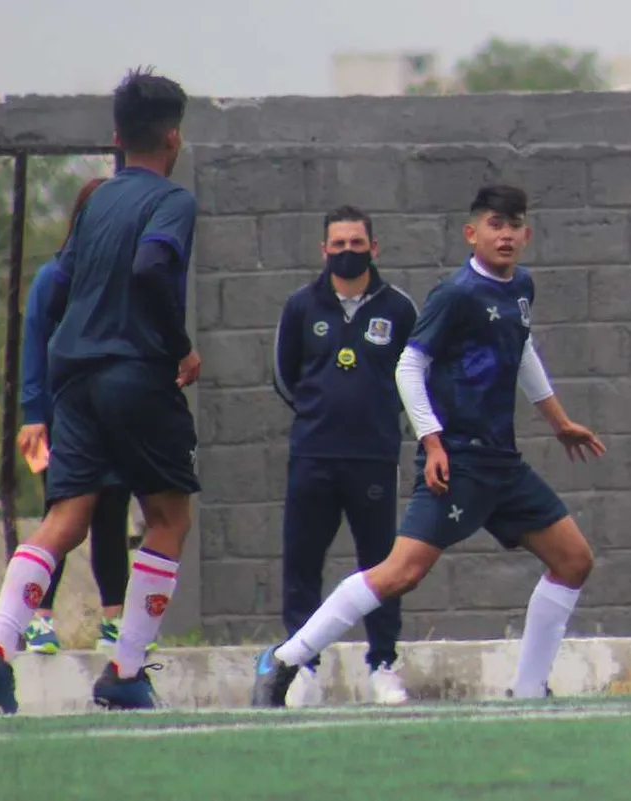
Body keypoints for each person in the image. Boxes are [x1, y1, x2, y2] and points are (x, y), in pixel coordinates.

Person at [251, 184, 605, 707]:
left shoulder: (521, 287)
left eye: (513, 226)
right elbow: (409, 366)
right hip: (456, 461)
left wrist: (558, 420)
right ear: (472, 233)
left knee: (574, 559)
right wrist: (433, 442)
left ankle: (529, 690)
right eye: (494, 225)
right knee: (399, 574)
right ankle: (284, 661)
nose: (504, 235)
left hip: (501, 463)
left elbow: (521, 346)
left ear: (526, 235)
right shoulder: (455, 293)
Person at [0, 67, 200, 714]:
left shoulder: (96, 202)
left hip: (73, 378)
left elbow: (62, 286)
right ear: (173, 137)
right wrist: (179, 346)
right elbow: (151, 268)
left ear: (117, 137)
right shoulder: (171, 201)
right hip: (134, 371)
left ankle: (0, 650)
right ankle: (125, 668)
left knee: (65, 519)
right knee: (169, 517)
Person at [272, 205, 418, 706]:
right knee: (302, 564)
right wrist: (319, 414)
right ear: (324, 250)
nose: (348, 252)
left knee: (381, 564)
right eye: (339, 245)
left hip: (374, 457)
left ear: (373, 248)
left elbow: (415, 376)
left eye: (357, 244)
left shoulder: (399, 309)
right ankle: (303, 669)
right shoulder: (300, 306)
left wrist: (376, 416)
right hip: (312, 456)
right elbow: (283, 375)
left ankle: (382, 665)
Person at [18, 177, 149, 655]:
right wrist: (35, 415)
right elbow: (34, 346)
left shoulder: (127, 279)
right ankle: (38, 618)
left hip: (113, 419)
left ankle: (114, 621)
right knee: (63, 518)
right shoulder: (56, 278)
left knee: (112, 516)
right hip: (60, 421)